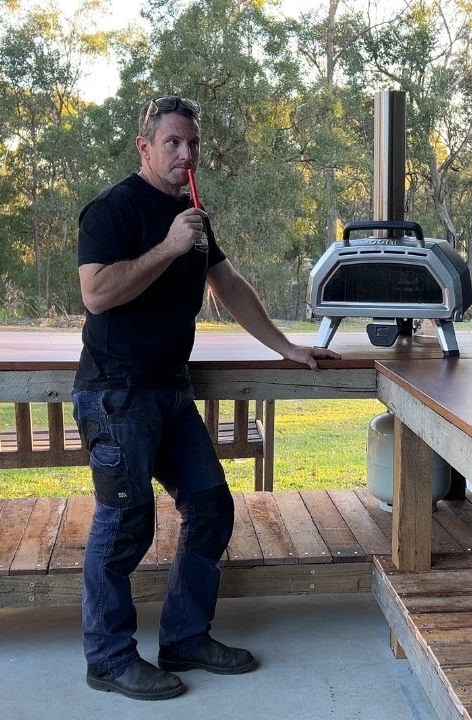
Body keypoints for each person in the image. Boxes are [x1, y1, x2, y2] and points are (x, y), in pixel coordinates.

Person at [72, 95, 341, 701]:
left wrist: (284, 347)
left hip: (169, 391)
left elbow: (228, 284)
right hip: (117, 394)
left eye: (192, 143)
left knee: (211, 507)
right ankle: (109, 660)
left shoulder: (194, 214)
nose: (185, 154)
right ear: (145, 147)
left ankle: (185, 638)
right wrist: (168, 247)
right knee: (124, 525)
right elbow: (97, 294)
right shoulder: (113, 211)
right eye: (172, 143)